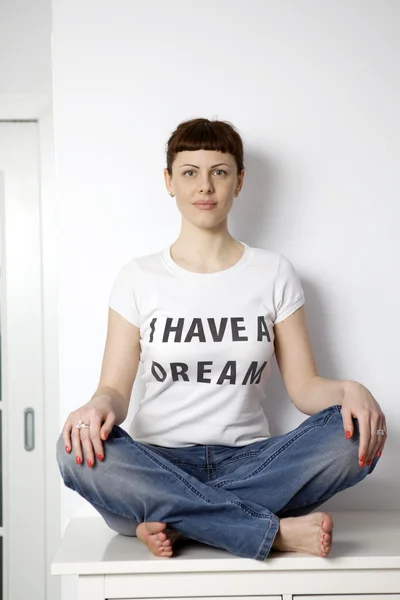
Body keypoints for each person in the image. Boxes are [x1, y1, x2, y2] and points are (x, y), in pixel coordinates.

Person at [56, 117, 387, 561]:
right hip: (157, 462)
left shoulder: (274, 273)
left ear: (239, 181)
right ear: (169, 181)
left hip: (253, 463)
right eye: (190, 172)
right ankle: (268, 532)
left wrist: (352, 390)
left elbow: (306, 389)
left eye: (220, 171)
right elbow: (115, 390)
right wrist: (97, 406)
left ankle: (183, 521)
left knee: (351, 437)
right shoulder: (138, 278)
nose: (205, 186)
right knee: (72, 448)